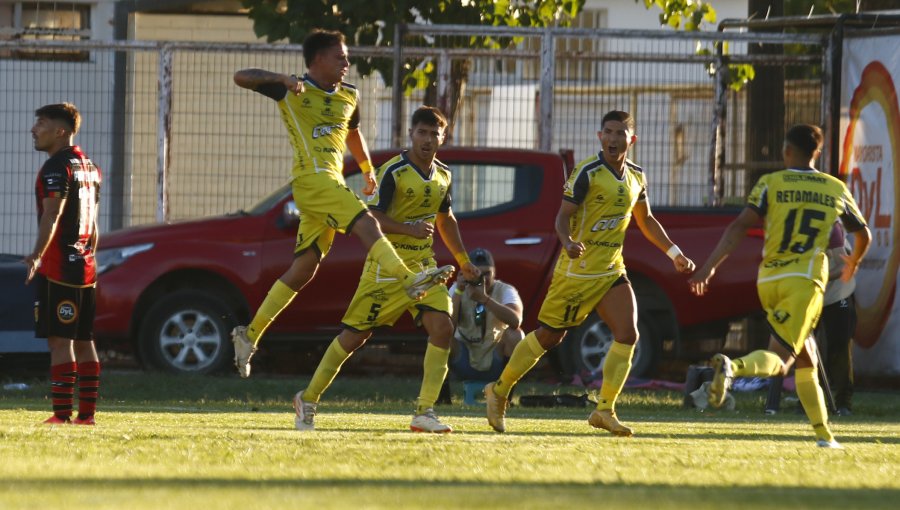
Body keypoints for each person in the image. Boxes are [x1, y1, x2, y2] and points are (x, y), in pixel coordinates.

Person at [231, 30, 453, 378]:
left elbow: (352, 131)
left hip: (330, 183)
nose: (348, 63)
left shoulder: (349, 95)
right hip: (310, 181)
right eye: (340, 57)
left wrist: (366, 170)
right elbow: (240, 76)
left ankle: (249, 334)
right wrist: (280, 78)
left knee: (304, 269)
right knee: (366, 223)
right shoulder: (293, 90)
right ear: (317, 59)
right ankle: (408, 279)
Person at [483, 110, 696, 435]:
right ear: (600, 136)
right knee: (549, 337)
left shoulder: (637, 175)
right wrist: (567, 242)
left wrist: (675, 253)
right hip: (577, 274)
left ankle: (604, 410)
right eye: (607, 132)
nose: (613, 138)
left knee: (628, 334)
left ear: (631, 139)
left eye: (619, 133)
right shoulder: (587, 172)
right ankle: (498, 391)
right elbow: (562, 216)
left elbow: (646, 219)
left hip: (611, 270)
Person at [292, 106, 479, 433]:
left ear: (443, 137)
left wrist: (463, 260)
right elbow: (371, 217)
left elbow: (446, 220)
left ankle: (425, 412)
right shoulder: (394, 171)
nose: (427, 139)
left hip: (424, 267)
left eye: (434, 133)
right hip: (387, 269)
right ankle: (307, 398)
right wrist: (409, 230)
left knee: (443, 328)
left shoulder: (443, 175)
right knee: (355, 337)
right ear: (411, 134)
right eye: (421, 132)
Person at [689, 124, 870, 448]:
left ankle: (824, 435)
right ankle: (733, 368)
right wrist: (853, 262)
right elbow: (863, 235)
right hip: (805, 282)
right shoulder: (834, 188)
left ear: (787, 151)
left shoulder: (770, 183)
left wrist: (708, 268)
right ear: (818, 152)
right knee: (782, 361)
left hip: (769, 280)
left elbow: (738, 226)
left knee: (806, 359)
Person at [25, 103, 102, 425]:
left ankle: (61, 415)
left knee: (60, 341)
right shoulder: (89, 166)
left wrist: (37, 256)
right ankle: (86, 416)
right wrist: (90, 255)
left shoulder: (57, 167)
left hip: (60, 268)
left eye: (41, 123)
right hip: (85, 266)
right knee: (84, 341)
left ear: (60, 131)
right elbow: (94, 224)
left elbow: (53, 215)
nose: (34, 129)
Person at [448, 248, 524, 389]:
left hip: (496, 358)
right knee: (439, 337)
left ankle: (505, 395)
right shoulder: (457, 289)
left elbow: (516, 321)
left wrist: (484, 299)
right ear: (467, 274)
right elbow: (446, 328)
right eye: (478, 274)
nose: (483, 279)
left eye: (487, 274)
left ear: (495, 272)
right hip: (465, 357)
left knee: (516, 335)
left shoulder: (505, 290)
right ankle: (442, 399)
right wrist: (459, 291)